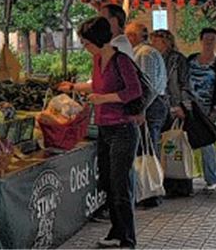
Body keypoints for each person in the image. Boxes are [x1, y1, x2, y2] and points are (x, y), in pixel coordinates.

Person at [78, 17, 142, 249]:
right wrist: (75, 87)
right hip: (104, 129)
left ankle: (128, 239)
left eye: (86, 42)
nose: (84, 47)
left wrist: (103, 99)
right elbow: (97, 86)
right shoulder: (97, 60)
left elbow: (133, 91)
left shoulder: (120, 60)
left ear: (97, 40)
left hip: (123, 129)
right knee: (107, 182)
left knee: (120, 184)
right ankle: (116, 231)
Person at [125, 22, 168, 207]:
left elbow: (148, 86)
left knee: (147, 149)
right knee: (148, 148)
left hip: (151, 105)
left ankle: (150, 193)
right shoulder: (145, 52)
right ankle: (149, 190)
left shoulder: (144, 54)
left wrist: (141, 109)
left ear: (133, 37)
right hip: (153, 104)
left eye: (127, 36)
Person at [151, 29, 197, 197]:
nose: (153, 44)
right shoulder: (154, 58)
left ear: (166, 42)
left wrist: (183, 106)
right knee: (165, 144)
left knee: (176, 144)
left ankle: (181, 183)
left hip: (174, 105)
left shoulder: (178, 60)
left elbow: (185, 84)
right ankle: (167, 182)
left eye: (156, 41)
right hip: (161, 104)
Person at [188, 28, 216, 191]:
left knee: (207, 142)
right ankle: (184, 176)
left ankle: (212, 177)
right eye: (206, 38)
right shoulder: (191, 60)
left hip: (209, 107)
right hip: (190, 107)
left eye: (212, 39)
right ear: (201, 40)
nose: (209, 42)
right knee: (185, 141)